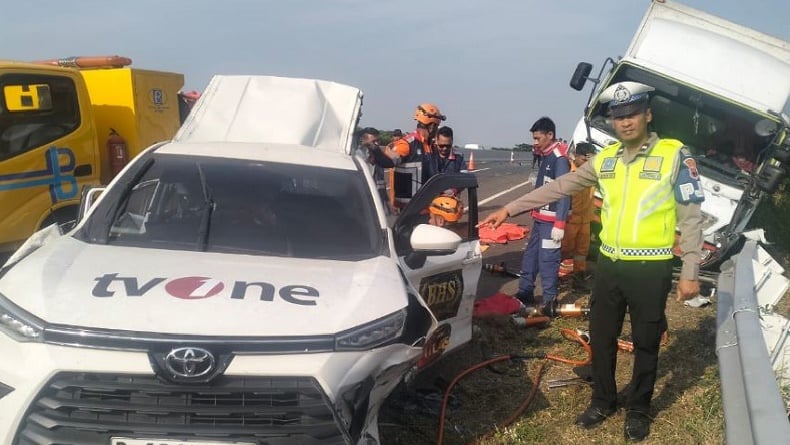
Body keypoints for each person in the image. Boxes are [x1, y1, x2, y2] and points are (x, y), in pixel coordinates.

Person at [478, 81, 705, 442]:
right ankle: (603, 400)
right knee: (601, 338)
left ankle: (639, 409)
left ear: (647, 115)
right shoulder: (608, 158)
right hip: (610, 267)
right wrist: (509, 208)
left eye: (632, 115)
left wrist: (690, 270)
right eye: (619, 117)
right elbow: (560, 186)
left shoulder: (674, 155)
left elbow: (692, 218)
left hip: (651, 268)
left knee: (646, 342)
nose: (626, 123)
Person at [514, 117, 570, 310]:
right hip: (539, 219)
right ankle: (525, 291)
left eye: (538, 138)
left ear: (550, 135)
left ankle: (549, 300)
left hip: (551, 222)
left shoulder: (559, 158)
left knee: (548, 259)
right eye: (534, 138)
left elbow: (564, 191)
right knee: (530, 256)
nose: (535, 142)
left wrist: (560, 224)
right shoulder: (546, 155)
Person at [369, 103, 446, 209]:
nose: (437, 130)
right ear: (432, 126)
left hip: (427, 207)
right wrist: (373, 148)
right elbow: (387, 162)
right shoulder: (406, 144)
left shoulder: (431, 147)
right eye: (437, 126)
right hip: (410, 210)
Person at [561, 142, 597, 290]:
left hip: (585, 220)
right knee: (563, 250)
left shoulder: (592, 172)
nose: (586, 163)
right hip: (570, 220)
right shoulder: (567, 172)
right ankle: (553, 278)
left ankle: (579, 279)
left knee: (582, 252)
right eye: (584, 159)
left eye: (590, 160)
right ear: (576, 156)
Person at [358, 127, 389, 211]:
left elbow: (381, 184)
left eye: (377, 141)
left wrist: (387, 203)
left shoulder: (378, 157)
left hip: (378, 204)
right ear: (364, 140)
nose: (376, 144)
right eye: (373, 142)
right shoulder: (357, 156)